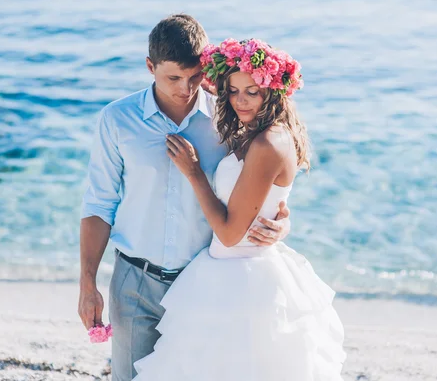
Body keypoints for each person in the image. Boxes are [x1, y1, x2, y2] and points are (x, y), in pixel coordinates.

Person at [78, 15, 292, 381]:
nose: (185, 88)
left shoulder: (228, 115)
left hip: (203, 283)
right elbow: (99, 204)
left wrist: (282, 222)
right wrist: (87, 282)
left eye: (194, 77)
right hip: (134, 282)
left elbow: (261, 182)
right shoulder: (117, 119)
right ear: (150, 67)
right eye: (173, 78)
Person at [132, 38, 346, 380]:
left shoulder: (267, 143)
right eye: (232, 91)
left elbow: (231, 234)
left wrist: (193, 172)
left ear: (272, 92)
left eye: (252, 91)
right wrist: (203, 79)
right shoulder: (259, 130)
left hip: (242, 281)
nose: (239, 101)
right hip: (232, 271)